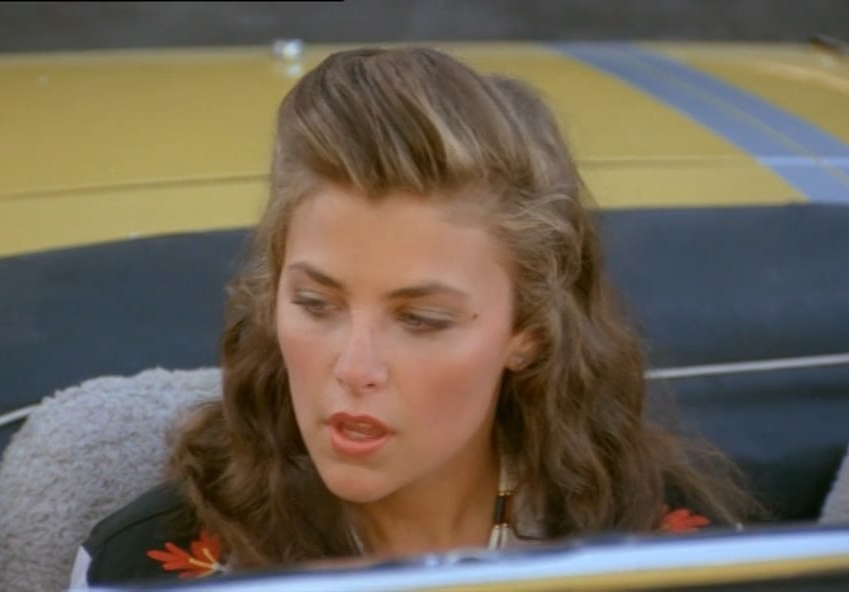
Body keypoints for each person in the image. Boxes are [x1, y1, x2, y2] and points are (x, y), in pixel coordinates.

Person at [70, 46, 754, 587]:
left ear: (528, 331)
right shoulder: (149, 567)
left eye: (422, 319)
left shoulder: (671, 551)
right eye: (316, 304)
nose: (355, 368)